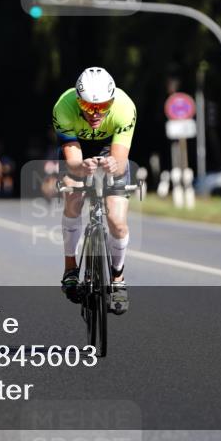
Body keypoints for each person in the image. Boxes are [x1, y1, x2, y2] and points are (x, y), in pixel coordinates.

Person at [52, 67, 137, 315]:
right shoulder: (64, 107)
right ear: (79, 101)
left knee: (117, 221)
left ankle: (118, 278)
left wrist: (113, 164)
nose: (95, 114)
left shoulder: (124, 107)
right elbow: (73, 160)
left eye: (102, 106)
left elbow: (120, 160)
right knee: (73, 197)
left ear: (112, 100)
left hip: (109, 147)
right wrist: (81, 168)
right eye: (89, 107)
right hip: (77, 149)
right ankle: (70, 268)